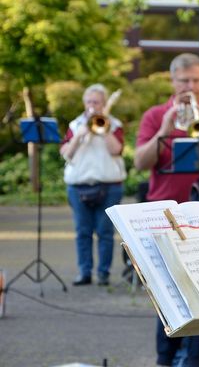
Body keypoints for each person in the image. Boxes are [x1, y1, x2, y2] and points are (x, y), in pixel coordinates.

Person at [133, 53, 199, 367]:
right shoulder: (155, 115)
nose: (190, 87)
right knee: (168, 293)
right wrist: (165, 129)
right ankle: (165, 358)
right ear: (173, 81)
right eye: (184, 81)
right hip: (165, 218)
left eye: (196, 81)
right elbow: (140, 162)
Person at [60, 84, 126, 286]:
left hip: (109, 186)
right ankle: (84, 272)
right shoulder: (75, 125)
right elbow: (65, 154)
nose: (92, 106)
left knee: (105, 232)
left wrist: (103, 129)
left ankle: (103, 273)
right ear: (84, 103)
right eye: (89, 102)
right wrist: (80, 135)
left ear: (104, 104)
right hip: (78, 186)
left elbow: (117, 150)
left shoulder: (113, 124)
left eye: (96, 102)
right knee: (82, 232)